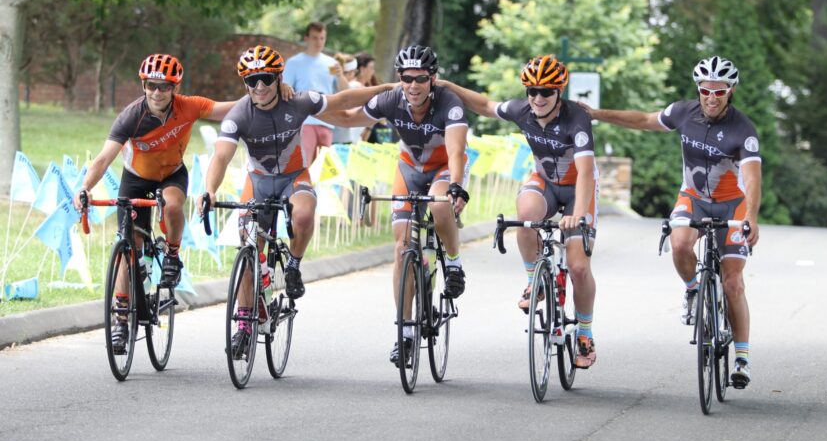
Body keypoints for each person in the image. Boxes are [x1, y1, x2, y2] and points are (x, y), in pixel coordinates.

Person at [200, 45, 392, 359]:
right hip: (258, 182)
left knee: (303, 215)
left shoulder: (297, 100)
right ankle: (245, 327)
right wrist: (209, 190)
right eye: (251, 81)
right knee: (248, 249)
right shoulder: (239, 115)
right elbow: (221, 156)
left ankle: (293, 265)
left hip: (293, 177)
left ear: (278, 78)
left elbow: (342, 101)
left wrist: (388, 88)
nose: (259, 87)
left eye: (265, 78)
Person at [583, 55, 761, 389]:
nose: (711, 97)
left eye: (719, 92)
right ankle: (693, 290)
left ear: (730, 92)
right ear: (698, 89)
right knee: (679, 243)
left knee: (733, 283)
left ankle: (742, 358)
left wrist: (750, 218)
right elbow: (641, 119)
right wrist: (596, 113)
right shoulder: (683, 112)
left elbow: (751, 180)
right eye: (705, 90)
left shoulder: (743, 130)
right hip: (693, 198)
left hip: (732, 206)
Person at [438, 55, 601, 369]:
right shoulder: (521, 110)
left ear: (559, 92)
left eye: (546, 92)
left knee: (579, 268)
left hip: (578, 186)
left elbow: (584, 172)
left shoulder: (576, 118)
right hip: (545, 181)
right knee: (525, 215)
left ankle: (584, 333)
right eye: (532, 91)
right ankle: (533, 280)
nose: (538, 98)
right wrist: (447, 85)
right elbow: (485, 105)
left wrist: (577, 215)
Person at [74, 53, 244, 354]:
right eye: (151, 85)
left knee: (174, 205)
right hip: (136, 178)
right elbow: (103, 159)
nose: (156, 92)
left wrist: (261, 91)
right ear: (144, 85)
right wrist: (84, 188)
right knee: (128, 249)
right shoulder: (131, 116)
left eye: (164, 87)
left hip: (172, 175)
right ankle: (121, 320)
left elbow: (229, 109)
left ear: (174, 88)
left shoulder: (189, 106)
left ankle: (173, 255)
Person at [319, 45, 469, 366]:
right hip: (409, 169)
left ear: (433, 79)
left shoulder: (449, 103)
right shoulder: (391, 99)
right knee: (402, 248)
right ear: (399, 78)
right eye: (406, 78)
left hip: (444, 169)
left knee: (441, 207)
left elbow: (456, 151)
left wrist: (456, 185)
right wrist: (307, 109)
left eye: (421, 78)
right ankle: (405, 334)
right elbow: (347, 116)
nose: (413, 85)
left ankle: (454, 263)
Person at [283, 22, 349, 163]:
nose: (319, 42)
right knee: (304, 165)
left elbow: (345, 91)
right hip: (304, 121)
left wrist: (340, 75)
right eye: (314, 38)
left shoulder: (330, 63)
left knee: (324, 171)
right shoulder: (294, 62)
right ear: (306, 38)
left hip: (328, 121)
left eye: (322, 38)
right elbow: (285, 90)